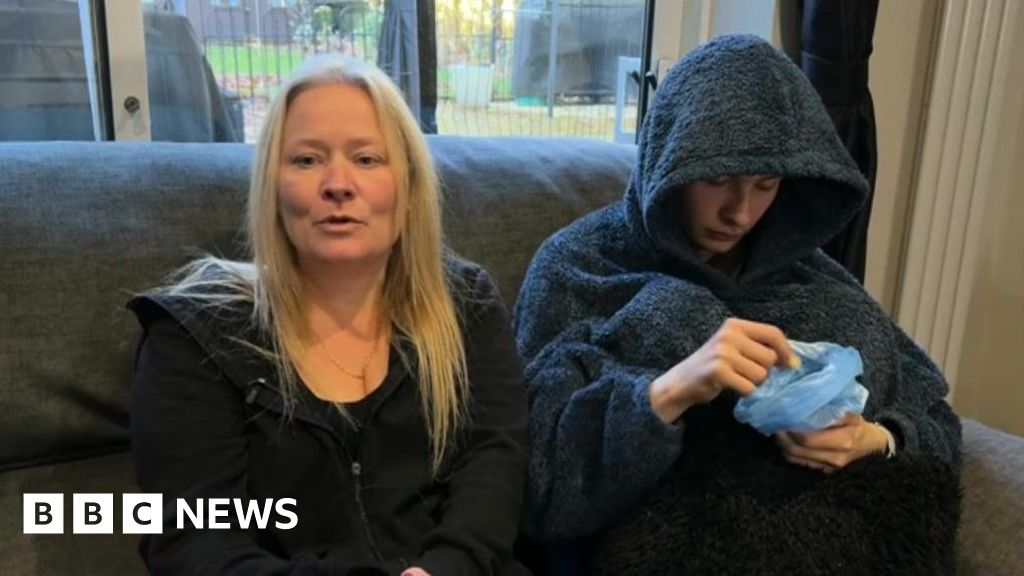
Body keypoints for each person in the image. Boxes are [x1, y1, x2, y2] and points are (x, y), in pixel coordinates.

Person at [514, 35, 961, 575]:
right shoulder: (580, 268)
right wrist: (668, 392)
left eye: (765, 185)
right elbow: (533, 482)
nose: (740, 213)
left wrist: (880, 439)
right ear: (666, 161)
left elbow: (938, 426)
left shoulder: (820, 283)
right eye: (717, 180)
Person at [128, 54, 529, 576]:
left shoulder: (465, 302)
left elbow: (495, 461)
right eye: (307, 160)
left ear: (408, 187)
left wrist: (446, 568)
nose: (338, 183)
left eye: (366, 159)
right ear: (272, 189)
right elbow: (194, 542)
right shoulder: (194, 334)